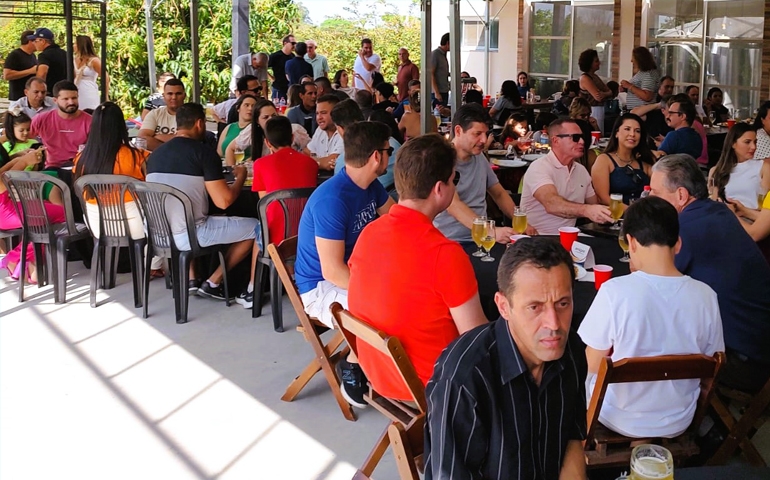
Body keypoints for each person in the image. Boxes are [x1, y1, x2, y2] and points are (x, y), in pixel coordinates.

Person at [424, 237, 588, 480]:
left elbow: (571, 438)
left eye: (562, 303)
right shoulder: (464, 379)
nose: (554, 324)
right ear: (503, 306)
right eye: (535, 307)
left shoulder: (571, 350)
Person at [348, 134, 487, 401]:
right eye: (453, 180)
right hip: (433, 385)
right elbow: (476, 341)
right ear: (439, 189)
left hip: (378, 374)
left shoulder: (370, 233)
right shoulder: (444, 254)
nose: (454, 187)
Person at [579, 196, 724, 438]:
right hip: (679, 419)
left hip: (618, 417)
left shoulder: (615, 291)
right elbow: (711, 362)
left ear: (631, 243)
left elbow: (591, 365)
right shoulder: (706, 296)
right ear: (678, 244)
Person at [649, 154, 770, 393]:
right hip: (760, 343)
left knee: (654, 337)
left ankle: (676, 420)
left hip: (744, 361)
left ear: (681, 195)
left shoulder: (685, 228)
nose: (650, 198)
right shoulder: (718, 212)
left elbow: (652, 282)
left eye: (655, 192)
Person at [294, 121, 395, 406]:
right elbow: (333, 271)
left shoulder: (369, 186)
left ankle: (381, 364)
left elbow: (396, 219)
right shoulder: (333, 199)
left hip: (355, 273)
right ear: (377, 156)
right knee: (387, 307)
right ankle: (352, 363)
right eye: (388, 151)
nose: (390, 156)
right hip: (320, 289)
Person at [145, 103, 259, 300]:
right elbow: (224, 201)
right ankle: (213, 282)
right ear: (199, 123)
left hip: (157, 234)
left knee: (191, 214)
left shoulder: (154, 155)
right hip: (189, 235)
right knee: (255, 227)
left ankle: (192, 279)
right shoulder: (203, 153)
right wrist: (240, 176)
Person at [235, 115, 319, 309]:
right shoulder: (310, 163)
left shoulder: (261, 165)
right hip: (306, 234)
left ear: (267, 142)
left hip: (276, 237)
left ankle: (251, 290)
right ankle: (291, 276)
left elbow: (265, 204)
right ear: (292, 138)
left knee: (261, 227)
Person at [72, 102, 164, 276]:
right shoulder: (137, 156)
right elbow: (152, 188)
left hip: (98, 226)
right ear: (121, 126)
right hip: (133, 226)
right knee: (160, 213)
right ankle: (152, 265)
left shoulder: (80, 159)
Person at [433, 104, 533, 243]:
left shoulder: (479, 158)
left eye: (486, 134)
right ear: (458, 131)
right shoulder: (442, 160)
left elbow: (499, 193)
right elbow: (453, 205)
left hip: (481, 238)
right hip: (452, 240)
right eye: (477, 134)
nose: (484, 140)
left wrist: (521, 221)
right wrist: (490, 231)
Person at [521, 118, 613, 234]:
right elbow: (552, 204)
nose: (581, 142)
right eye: (575, 138)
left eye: (582, 137)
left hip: (570, 238)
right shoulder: (539, 167)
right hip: (537, 240)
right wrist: (586, 210)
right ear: (556, 141)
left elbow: (594, 205)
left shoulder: (581, 170)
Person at [0, 147, 61, 283]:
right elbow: (2, 182)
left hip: (7, 209)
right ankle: (18, 257)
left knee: (41, 218)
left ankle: (26, 261)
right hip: (7, 211)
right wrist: (24, 162)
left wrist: (16, 161)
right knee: (63, 214)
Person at [591, 113, 653, 206]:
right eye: (627, 129)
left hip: (643, 215)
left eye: (637, 131)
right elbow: (603, 198)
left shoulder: (645, 163)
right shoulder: (604, 160)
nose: (632, 134)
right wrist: (632, 212)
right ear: (616, 133)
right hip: (616, 216)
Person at [30, 80, 91, 172]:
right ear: (55, 100)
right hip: (52, 168)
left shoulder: (90, 121)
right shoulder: (41, 119)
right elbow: (23, 137)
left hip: (80, 168)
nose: (71, 102)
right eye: (65, 99)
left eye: (74, 98)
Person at [708, 123, 770, 208]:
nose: (753, 147)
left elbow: (764, 207)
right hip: (725, 216)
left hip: (753, 218)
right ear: (733, 143)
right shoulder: (716, 171)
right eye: (747, 142)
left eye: (755, 142)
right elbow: (714, 203)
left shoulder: (763, 167)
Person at [138, 78, 186, 151]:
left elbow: (190, 140)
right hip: (156, 160)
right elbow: (142, 139)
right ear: (163, 96)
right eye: (170, 94)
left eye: (178, 94)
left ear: (184, 95)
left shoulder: (192, 115)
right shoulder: (154, 114)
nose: (174, 97)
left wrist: (157, 137)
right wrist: (169, 149)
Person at [578, 48, 612, 135]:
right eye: (596, 61)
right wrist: (606, 93)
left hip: (599, 109)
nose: (599, 63)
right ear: (589, 63)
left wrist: (605, 93)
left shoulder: (595, 76)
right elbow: (598, 97)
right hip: (591, 110)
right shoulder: (585, 78)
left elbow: (609, 91)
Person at [305, 94, 342, 171]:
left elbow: (329, 163)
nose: (319, 117)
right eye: (317, 113)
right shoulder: (320, 130)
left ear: (336, 113)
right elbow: (305, 153)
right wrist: (319, 161)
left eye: (323, 113)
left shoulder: (343, 133)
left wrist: (312, 160)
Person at [217, 94, 256, 160]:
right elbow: (219, 152)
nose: (250, 108)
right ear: (238, 108)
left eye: (253, 106)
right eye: (246, 105)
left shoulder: (256, 129)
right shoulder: (229, 127)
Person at [28, 28, 66, 96]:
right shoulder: (64, 53)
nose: (33, 43)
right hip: (65, 92)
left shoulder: (44, 55)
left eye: (35, 40)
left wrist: (38, 91)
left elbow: (42, 73)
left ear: (42, 41)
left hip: (50, 94)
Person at [3, 30, 38, 101]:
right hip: (17, 98)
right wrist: (30, 71)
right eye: (36, 41)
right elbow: (7, 75)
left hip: (30, 98)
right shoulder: (14, 55)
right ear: (30, 41)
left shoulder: (33, 56)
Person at [73, 35, 105, 110]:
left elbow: (105, 77)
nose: (73, 46)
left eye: (75, 44)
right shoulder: (74, 59)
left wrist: (105, 95)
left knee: (90, 112)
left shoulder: (94, 60)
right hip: (76, 90)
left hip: (89, 91)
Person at [268, 34, 295, 101]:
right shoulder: (275, 56)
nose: (294, 45)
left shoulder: (293, 56)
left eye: (295, 43)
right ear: (285, 43)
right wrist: (271, 77)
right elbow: (263, 67)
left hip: (290, 89)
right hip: (278, 88)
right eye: (292, 43)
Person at [429, 33, 450, 107]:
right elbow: (431, 73)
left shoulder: (444, 55)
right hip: (438, 92)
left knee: (444, 115)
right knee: (438, 115)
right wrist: (436, 92)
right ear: (448, 43)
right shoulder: (435, 54)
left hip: (444, 90)